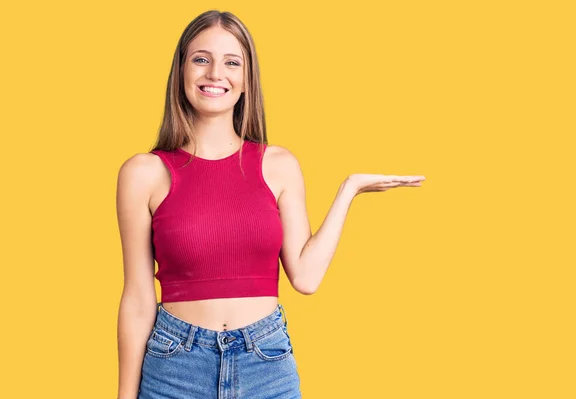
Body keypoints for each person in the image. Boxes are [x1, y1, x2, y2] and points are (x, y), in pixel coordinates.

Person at [115, 9, 425, 399]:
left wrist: (349, 190)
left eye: (232, 62)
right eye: (201, 59)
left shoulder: (278, 165)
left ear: (247, 80)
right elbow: (138, 299)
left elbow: (306, 278)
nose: (215, 73)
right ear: (181, 72)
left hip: (265, 364)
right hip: (175, 367)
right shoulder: (143, 173)